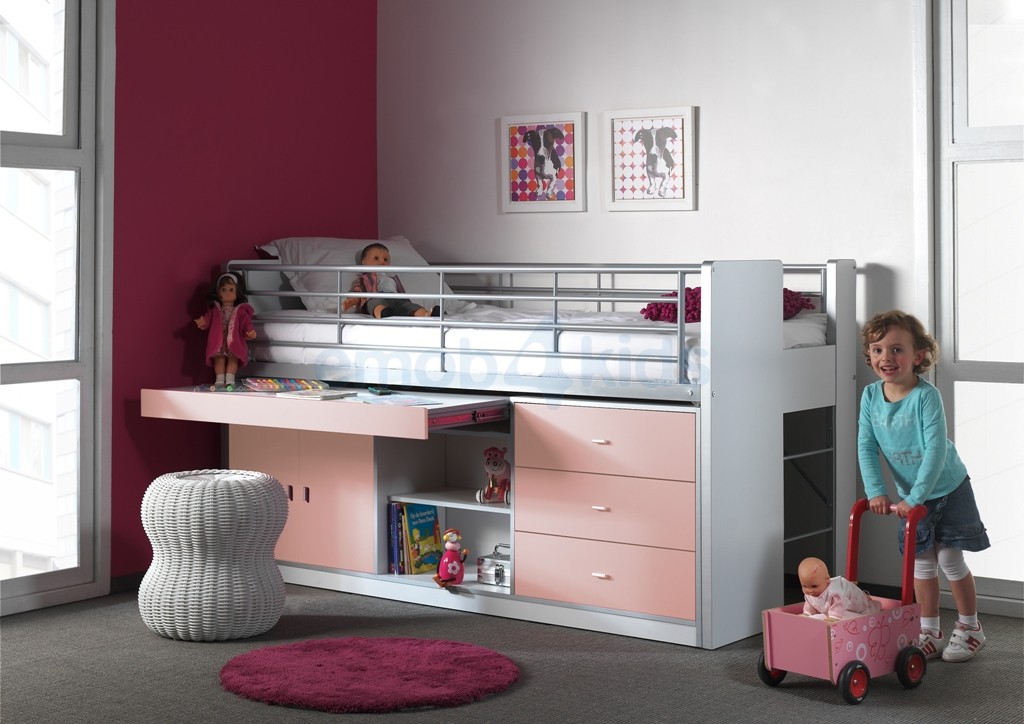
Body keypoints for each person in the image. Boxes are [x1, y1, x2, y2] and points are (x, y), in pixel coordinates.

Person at [858, 310, 990, 662]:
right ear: (869, 355)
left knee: (949, 558)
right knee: (920, 563)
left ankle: (971, 627)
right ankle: (929, 630)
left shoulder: (926, 396)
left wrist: (916, 496)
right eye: (878, 350)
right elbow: (866, 446)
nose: (887, 358)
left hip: (947, 488)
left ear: (918, 355)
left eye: (897, 349)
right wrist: (876, 491)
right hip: (911, 497)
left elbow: (935, 451)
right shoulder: (871, 397)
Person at [341, 242, 439, 318]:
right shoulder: (364, 279)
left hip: (396, 299)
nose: (382, 262)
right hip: (376, 297)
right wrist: (350, 302)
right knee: (374, 303)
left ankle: (426, 314)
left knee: (409, 306)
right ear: (364, 262)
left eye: (385, 259)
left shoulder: (392, 278)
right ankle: (382, 313)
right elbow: (358, 292)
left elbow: (400, 292)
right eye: (376, 258)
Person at [194, 272, 257, 390]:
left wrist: (249, 331)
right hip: (219, 340)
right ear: (218, 292)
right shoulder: (215, 310)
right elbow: (208, 319)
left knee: (233, 359)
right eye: (223, 289)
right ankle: (219, 380)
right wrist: (203, 322)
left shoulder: (240, 311)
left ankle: (230, 380)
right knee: (219, 359)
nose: (227, 293)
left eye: (231, 290)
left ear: (238, 292)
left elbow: (246, 323)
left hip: (234, 340)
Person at [798, 557, 880, 620]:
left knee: (861, 604)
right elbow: (810, 603)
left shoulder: (834, 592)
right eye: (804, 586)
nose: (809, 590)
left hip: (852, 599)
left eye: (814, 586)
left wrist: (833, 616)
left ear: (827, 580)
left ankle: (865, 596)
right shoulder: (810, 591)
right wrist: (807, 613)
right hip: (836, 601)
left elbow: (838, 605)